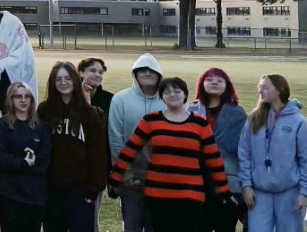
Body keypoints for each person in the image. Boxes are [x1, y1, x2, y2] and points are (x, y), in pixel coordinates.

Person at [109, 77, 229, 232]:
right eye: (167, 92)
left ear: (185, 95)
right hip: (157, 195)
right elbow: (129, 151)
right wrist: (115, 178)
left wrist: (224, 190)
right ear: (162, 97)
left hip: (190, 196)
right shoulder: (151, 120)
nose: (172, 94)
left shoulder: (200, 124)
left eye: (177, 91)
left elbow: (214, 160)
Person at [240, 74, 307, 232]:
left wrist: (304, 193)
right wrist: (246, 185)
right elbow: (244, 154)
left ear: (280, 89)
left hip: (290, 194)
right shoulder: (253, 119)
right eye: (259, 87)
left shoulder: (299, 122)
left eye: (265, 87)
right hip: (259, 194)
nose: (260, 91)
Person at [38, 62, 107, 232]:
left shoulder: (88, 113)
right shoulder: (45, 110)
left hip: (80, 191)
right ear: (52, 83)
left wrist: (92, 190)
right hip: (52, 190)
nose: (63, 82)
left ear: (75, 80)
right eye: (58, 79)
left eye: (68, 78)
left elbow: (98, 152)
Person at [106, 53, 165, 232]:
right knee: (132, 224)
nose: (147, 73)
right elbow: (115, 139)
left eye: (152, 70)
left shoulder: (167, 100)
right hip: (129, 178)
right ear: (135, 74)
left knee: (156, 225)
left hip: (160, 179)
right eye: (142, 70)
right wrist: (125, 173)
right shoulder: (121, 99)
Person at [187, 68, 248, 232]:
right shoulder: (190, 111)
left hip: (229, 182)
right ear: (202, 84)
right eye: (209, 79)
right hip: (196, 183)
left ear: (226, 86)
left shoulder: (237, 113)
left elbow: (241, 147)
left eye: (219, 80)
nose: (214, 82)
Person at [0, 82, 51, 232]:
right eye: (18, 96)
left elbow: (43, 162)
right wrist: (22, 163)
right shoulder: (0, 126)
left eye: (27, 96)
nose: (23, 100)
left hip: (35, 196)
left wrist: (20, 163)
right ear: (11, 99)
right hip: (10, 195)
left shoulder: (41, 127)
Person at [77, 57, 112, 230]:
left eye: (100, 72)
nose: (97, 74)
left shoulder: (109, 100)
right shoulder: (71, 97)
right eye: (92, 70)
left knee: (91, 219)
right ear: (81, 73)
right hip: (71, 167)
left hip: (97, 167)